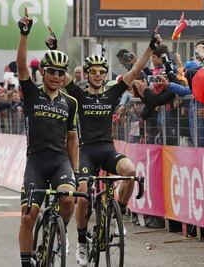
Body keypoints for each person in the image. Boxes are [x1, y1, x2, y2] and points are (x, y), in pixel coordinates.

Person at [61, 33, 161, 266]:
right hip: (86, 151)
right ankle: (83, 243)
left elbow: (136, 70)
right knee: (84, 194)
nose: (97, 75)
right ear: (87, 74)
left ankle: (118, 215)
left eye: (101, 71)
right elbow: (62, 76)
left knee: (130, 171)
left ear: (105, 74)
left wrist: (150, 47)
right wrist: (54, 48)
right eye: (93, 71)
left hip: (107, 149)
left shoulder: (112, 93)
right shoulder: (79, 95)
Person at [16, 10, 78, 267]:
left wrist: (76, 173)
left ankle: (59, 230)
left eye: (61, 72)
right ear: (43, 72)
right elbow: (21, 66)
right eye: (52, 71)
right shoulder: (32, 93)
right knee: (28, 216)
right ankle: (26, 260)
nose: (56, 76)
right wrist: (24, 35)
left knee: (68, 199)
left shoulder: (70, 102)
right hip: (36, 163)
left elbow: (72, 140)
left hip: (60, 161)